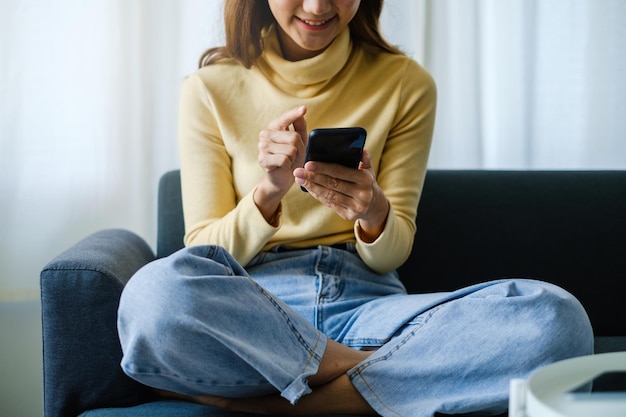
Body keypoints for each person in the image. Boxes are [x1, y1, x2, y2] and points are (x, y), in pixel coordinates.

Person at [117, 1, 593, 416]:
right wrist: (268, 193)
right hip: (253, 315)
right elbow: (202, 251)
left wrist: (373, 210)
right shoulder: (208, 89)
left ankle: (289, 403)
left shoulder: (406, 83)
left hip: (368, 307)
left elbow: (391, 254)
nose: (318, 6)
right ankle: (371, 373)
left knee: (558, 322)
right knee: (151, 296)